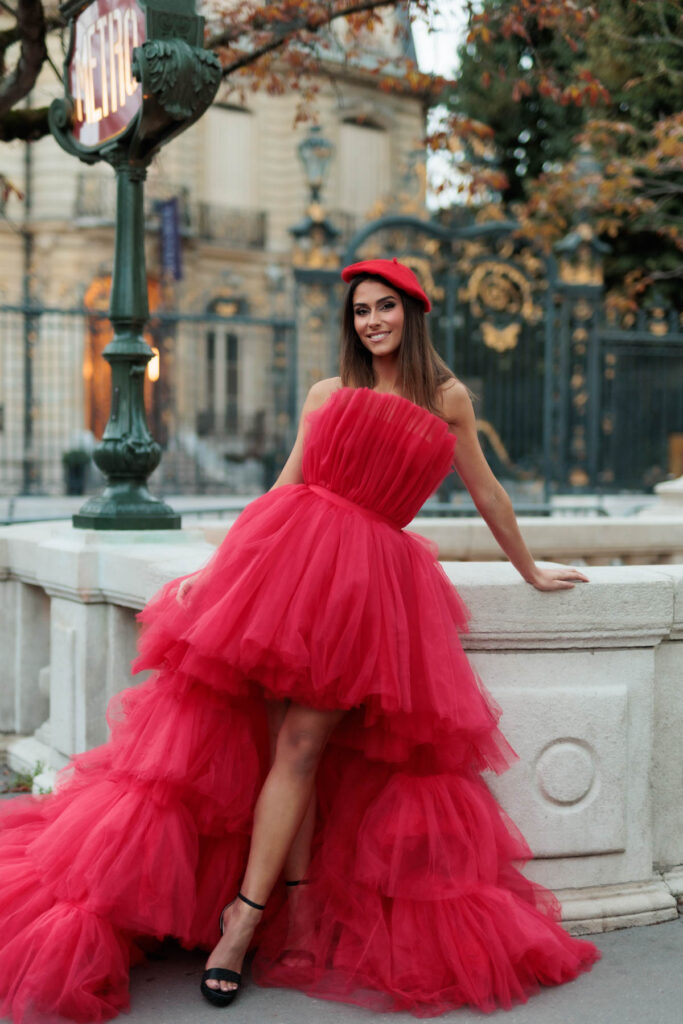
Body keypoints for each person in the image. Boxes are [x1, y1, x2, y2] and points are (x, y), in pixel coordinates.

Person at [0, 258, 598, 1023]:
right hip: (291, 568)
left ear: (413, 314)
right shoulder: (329, 392)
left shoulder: (447, 399)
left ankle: (244, 923)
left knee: (301, 747)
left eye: (384, 308)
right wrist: (218, 574)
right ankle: (294, 912)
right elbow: (283, 487)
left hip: (366, 591)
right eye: (359, 312)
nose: (371, 322)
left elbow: (487, 491)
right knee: (286, 742)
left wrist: (529, 569)